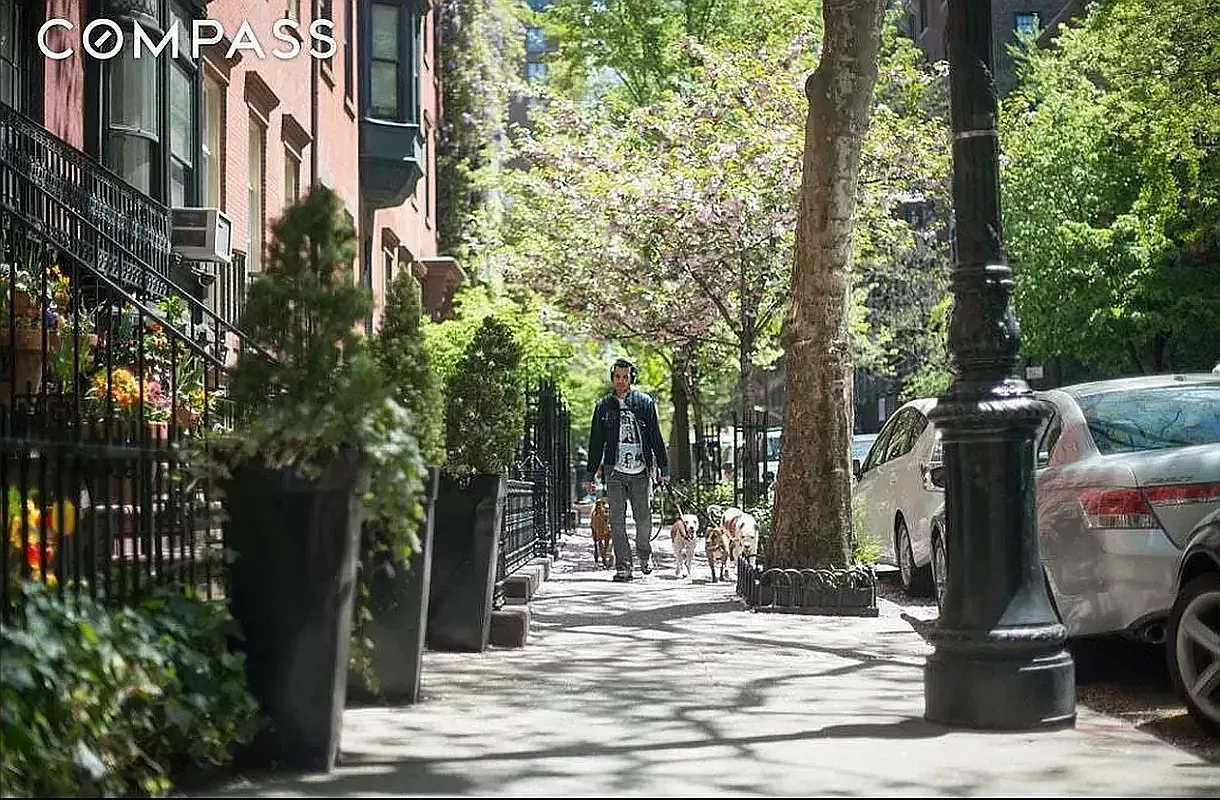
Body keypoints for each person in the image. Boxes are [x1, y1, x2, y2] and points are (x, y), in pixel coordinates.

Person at [584, 358, 670, 581]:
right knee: (617, 522)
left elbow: (655, 437)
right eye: (617, 377)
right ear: (613, 378)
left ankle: (644, 553)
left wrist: (664, 467)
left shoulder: (644, 403)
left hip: (640, 471)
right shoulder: (603, 406)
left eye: (625, 377)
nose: (621, 381)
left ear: (632, 378)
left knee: (644, 521)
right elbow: (595, 442)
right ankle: (623, 567)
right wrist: (590, 473)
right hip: (615, 472)